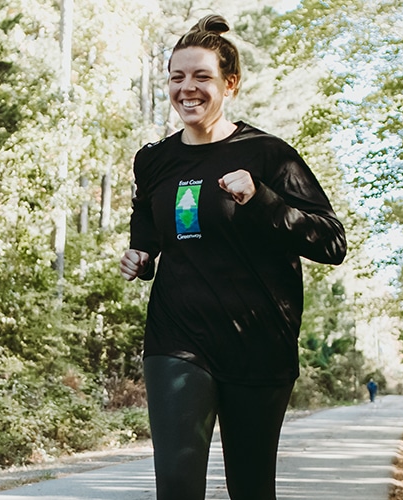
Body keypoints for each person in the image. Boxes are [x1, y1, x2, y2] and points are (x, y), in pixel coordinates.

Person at [118, 14, 347, 500]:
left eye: (202, 76)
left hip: (258, 340)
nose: (188, 88)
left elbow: (331, 242)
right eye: (177, 77)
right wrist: (143, 254)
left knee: (250, 487)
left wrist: (262, 198)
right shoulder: (154, 160)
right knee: (177, 487)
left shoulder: (268, 155)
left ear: (230, 84)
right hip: (177, 336)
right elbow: (148, 218)